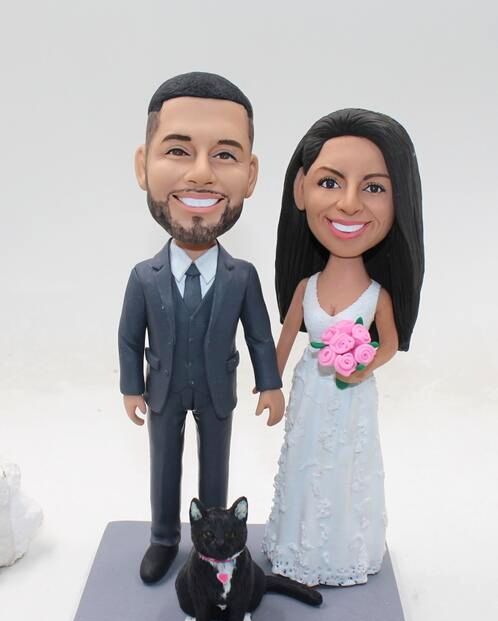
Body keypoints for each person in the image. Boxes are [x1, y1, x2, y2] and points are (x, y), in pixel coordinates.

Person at [119, 72, 284, 584]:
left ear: (250, 175)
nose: (200, 174)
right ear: (143, 165)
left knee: (216, 472)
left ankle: (215, 545)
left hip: (217, 391)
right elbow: (129, 338)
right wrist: (131, 388)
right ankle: (164, 538)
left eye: (225, 155)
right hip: (163, 390)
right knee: (163, 467)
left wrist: (270, 383)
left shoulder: (242, 276)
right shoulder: (144, 277)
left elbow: (259, 335)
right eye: (177, 150)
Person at [262, 109, 424, 586]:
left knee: (345, 470)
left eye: (374, 187)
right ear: (301, 189)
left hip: (351, 398)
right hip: (310, 392)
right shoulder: (305, 287)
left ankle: (341, 551)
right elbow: (285, 339)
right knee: (304, 464)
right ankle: (297, 543)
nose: (349, 204)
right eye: (330, 183)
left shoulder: (377, 295)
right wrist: (270, 386)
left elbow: (389, 343)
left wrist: (364, 365)